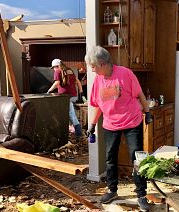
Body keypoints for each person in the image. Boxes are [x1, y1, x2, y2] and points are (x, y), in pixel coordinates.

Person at [84, 46, 153, 211]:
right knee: (110, 158)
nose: (91, 69)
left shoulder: (126, 74)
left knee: (137, 158)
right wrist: (92, 124)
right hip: (110, 124)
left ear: (101, 63)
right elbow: (98, 105)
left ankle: (141, 194)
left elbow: (140, 95)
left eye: (93, 66)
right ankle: (112, 190)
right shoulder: (98, 80)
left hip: (132, 122)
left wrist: (147, 112)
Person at [47, 59, 84, 139]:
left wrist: (49, 91)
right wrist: (81, 92)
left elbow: (57, 83)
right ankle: (74, 131)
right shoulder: (70, 70)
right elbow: (78, 82)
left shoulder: (57, 71)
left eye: (54, 67)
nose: (54, 69)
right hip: (73, 96)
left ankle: (78, 133)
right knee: (68, 113)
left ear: (57, 66)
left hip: (64, 97)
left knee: (70, 114)